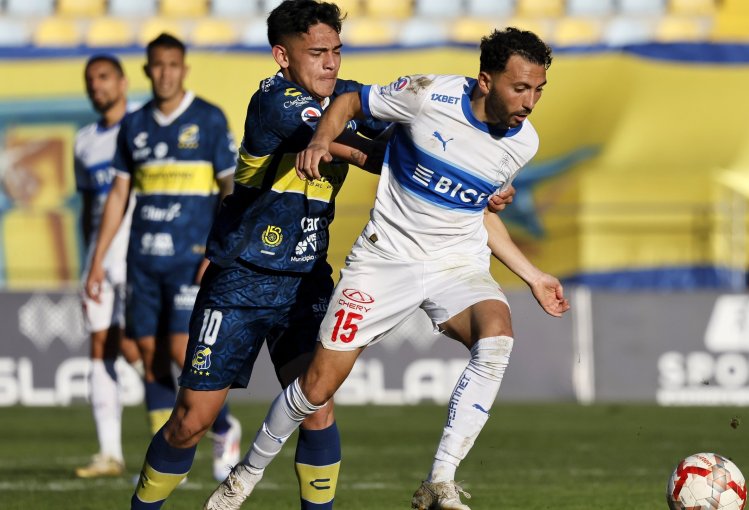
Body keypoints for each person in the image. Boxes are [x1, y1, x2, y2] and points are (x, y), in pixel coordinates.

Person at [127, 4, 515, 509]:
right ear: (281, 56)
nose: (330, 63)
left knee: (318, 406)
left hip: (306, 277)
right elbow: (362, 148)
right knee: (190, 423)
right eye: (316, 53)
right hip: (241, 277)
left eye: (336, 51)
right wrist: (447, 173)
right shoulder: (276, 101)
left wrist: (475, 180)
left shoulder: (346, 95)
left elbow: (417, 135)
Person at [206, 27, 569, 510]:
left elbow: (477, 212)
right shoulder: (427, 95)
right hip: (385, 262)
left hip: (455, 263)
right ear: (486, 80)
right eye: (520, 88)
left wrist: (534, 276)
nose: (530, 101)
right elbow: (351, 103)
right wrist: (320, 141)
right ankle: (244, 478)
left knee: (497, 337)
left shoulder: (522, 143)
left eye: (538, 89)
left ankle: (440, 480)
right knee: (316, 388)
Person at [84, 33, 241, 489]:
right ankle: (166, 447)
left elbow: (229, 189)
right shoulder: (134, 126)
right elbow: (118, 196)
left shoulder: (208, 119)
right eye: (158, 65)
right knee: (149, 357)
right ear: (148, 70)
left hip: (190, 257)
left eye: (174, 65)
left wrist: (219, 249)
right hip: (142, 260)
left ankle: (224, 426)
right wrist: (96, 262)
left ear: (183, 68)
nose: (166, 73)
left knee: (180, 350)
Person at [73, 54, 144, 479]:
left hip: (137, 251)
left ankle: (207, 424)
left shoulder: (142, 124)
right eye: (90, 80)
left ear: (121, 81)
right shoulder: (84, 141)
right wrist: (90, 259)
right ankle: (110, 453)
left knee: (138, 347)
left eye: (103, 77)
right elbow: (88, 206)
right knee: (101, 346)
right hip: (99, 256)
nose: (96, 86)